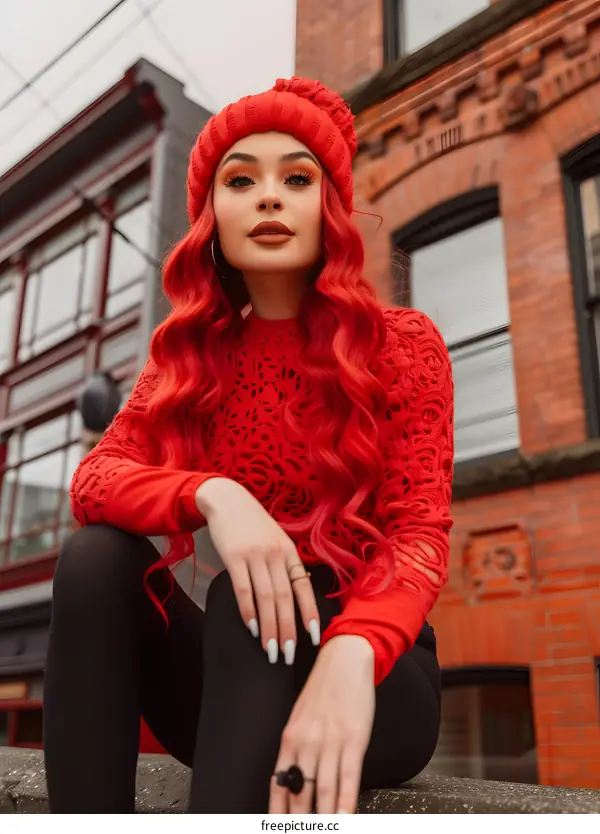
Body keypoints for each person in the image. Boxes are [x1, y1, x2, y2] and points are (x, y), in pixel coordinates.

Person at [43, 76, 454, 815]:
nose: (270, 197)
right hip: (235, 686)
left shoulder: (404, 344)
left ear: (327, 207)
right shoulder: (189, 362)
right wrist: (212, 493)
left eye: (296, 178)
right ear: (213, 215)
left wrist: (353, 649)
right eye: (242, 180)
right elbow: (94, 480)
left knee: (244, 595)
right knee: (96, 557)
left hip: (371, 684)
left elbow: (417, 534)